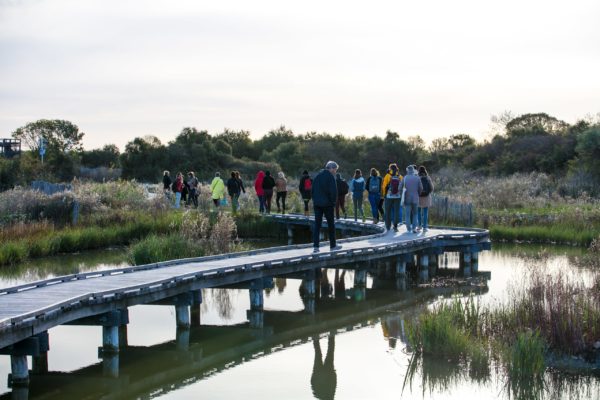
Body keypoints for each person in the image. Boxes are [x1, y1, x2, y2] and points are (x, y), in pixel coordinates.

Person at [312, 161, 342, 252]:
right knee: (331, 225)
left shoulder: (317, 176)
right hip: (327, 204)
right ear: (331, 168)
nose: (335, 172)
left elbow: (312, 190)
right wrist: (333, 203)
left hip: (317, 204)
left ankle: (316, 247)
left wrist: (315, 201)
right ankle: (333, 246)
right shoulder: (330, 177)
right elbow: (333, 192)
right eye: (335, 169)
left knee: (317, 225)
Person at [402, 165, 423, 233]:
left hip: (407, 198)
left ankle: (408, 229)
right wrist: (418, 194)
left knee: (407, 214)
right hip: (415, 198)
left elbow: (400, 188)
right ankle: (414, 228)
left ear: (407, 170)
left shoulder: (405, 178)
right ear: (413, 170)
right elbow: (421, 188)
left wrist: (401, 195)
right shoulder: (417, 178)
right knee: (415, 214)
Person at [382, 164, 402, 232]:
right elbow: (402, 186)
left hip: (389, 196)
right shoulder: (399, 176)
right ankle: (395, 226)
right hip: (397, 196)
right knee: (396, 211)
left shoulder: (387, 175)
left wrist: (384, 194)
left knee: (387, 211)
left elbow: (384, 186)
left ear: (390, 168)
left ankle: (388, 226)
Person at [417, 166, 434, 232]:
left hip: (418, 197)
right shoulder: (428, 178)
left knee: (418, 212)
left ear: (419, 171)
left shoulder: (417, 178)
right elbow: (432, 188)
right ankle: (425, 227)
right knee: (425, 212)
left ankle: (419, 226)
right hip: (426, 197)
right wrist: (428, 192)